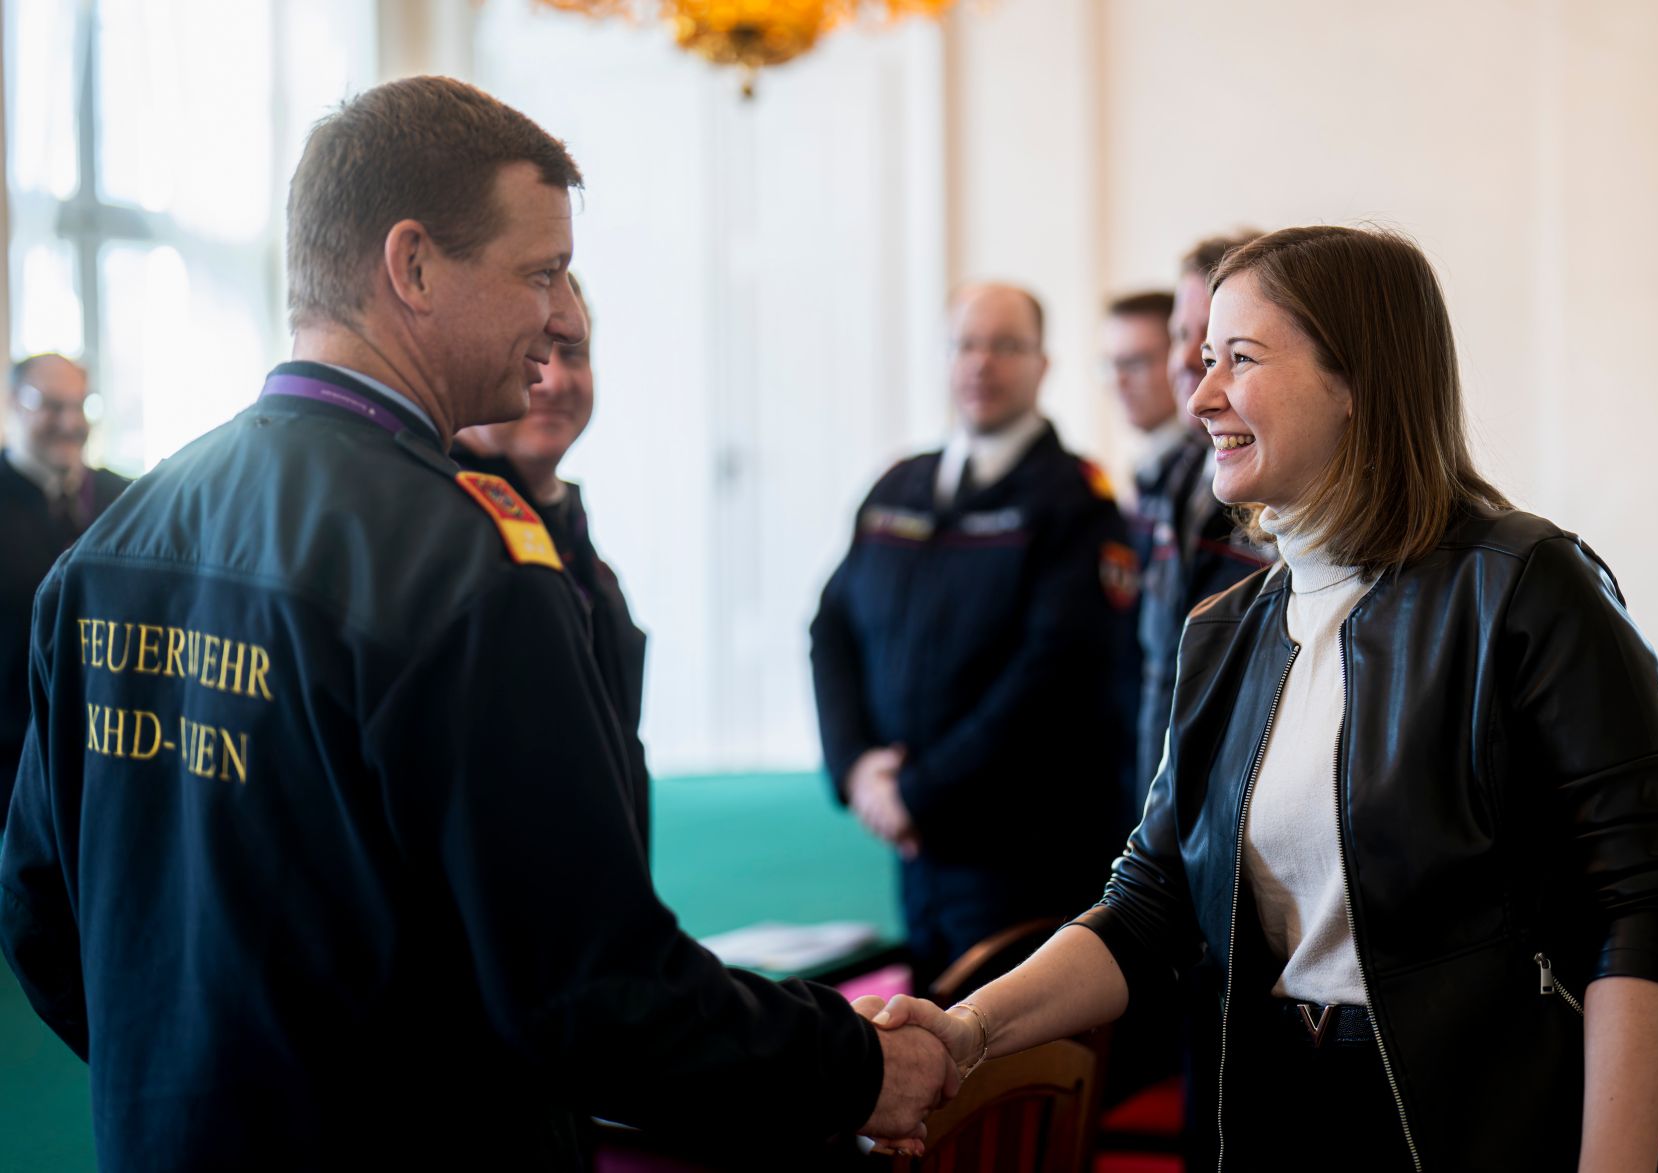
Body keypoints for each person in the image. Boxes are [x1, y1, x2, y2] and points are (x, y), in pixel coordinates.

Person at [0, 76, 957, 1170]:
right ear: (411, 266)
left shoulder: (117, 541)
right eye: (538, 272)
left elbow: (39, 908)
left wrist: (187, 1081)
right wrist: (858, 1067)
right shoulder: (466, 562)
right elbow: (590, 992)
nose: (558, 316)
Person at [860, 227, 1658, 1172]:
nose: (1202, 394)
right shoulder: (1227, 630)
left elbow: (1637, 906)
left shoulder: (1525, 584)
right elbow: (1150, 904)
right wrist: (966, 1029)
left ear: (1356, 382)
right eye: (1205, 358)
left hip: (1488, 1119)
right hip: (1281, 1114)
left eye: (1241, 359)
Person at [810, 282, 1140, 992]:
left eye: (1005, 345)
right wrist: (858, 768)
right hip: (916, 851)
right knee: (931, 1072)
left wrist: (916, 791)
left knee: (1011, 1077)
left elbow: (1053, 678)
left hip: (1024, 860)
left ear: (1042, 365)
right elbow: (830, 627)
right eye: (965, 343)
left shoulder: (1076, 502)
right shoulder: (898, 487)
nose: (980, 363)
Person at [453, 275, 651, 854]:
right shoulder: (449, 533)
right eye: (537, 351)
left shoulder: (569, 532)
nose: (558, 380)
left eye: (577, 354)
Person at [1119, 235, 1273, 806]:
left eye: (1218, 343)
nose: (1188, 360)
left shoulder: (1287, 497)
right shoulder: (1169, 482)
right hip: (1159, 810)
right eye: (1183, 335)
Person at [0, 354, 131, 819]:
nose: (70, 423)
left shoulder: (129, 500)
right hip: (12, 774)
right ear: (14, 403)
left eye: (80, 406)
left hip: (108, 767)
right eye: (52, 407)